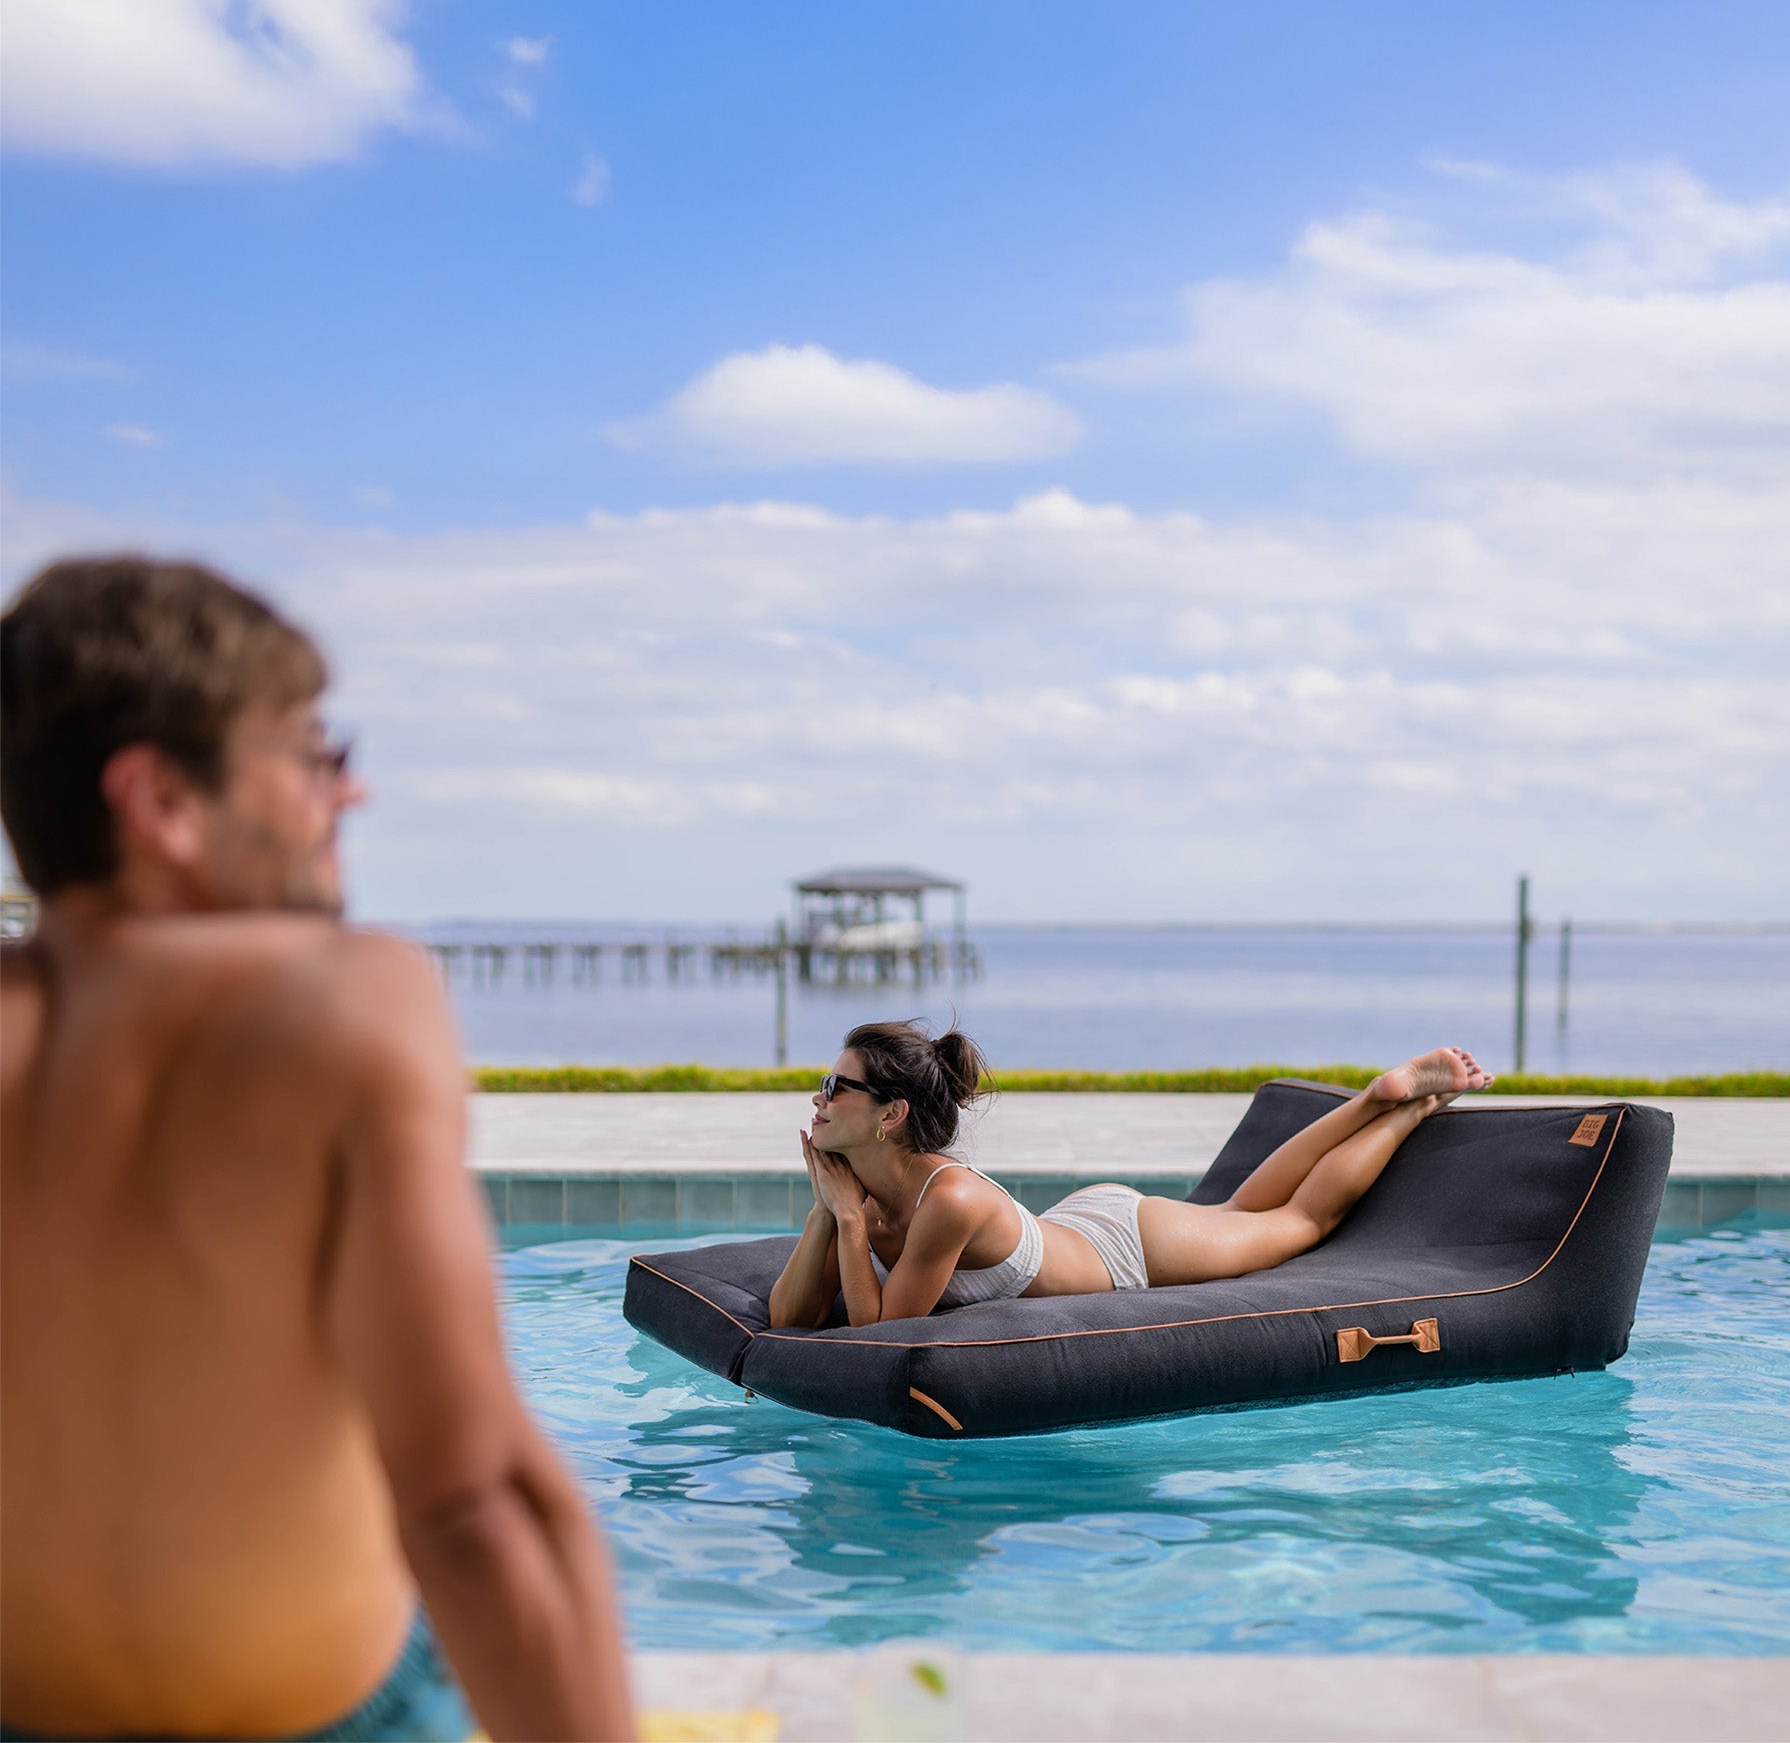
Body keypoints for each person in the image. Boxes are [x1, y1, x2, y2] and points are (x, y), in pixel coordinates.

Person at [0, 559, 633, 1741]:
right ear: (162, 800)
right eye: (311, 755)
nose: (350, 792)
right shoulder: (342, 1004)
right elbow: (475, 1504)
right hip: (322, 1714)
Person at [768, 1020, 1496, 1329]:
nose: (818, 1099)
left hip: (1128, 1250)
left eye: (836, 1087)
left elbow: (883, 1333)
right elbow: (788, 1320)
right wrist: (829, 1211)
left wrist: (849, 1219)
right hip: (1073, 1227)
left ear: (891, 1114)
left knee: (1300, 1221)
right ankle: (1379, 1099)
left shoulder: (948, 1197)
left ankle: (1399, 1106)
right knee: (1236, 1208)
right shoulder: (859, 1189)